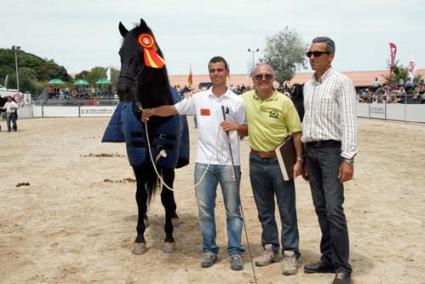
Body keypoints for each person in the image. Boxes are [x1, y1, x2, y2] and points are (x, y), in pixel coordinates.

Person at [142, 56, 247, 271]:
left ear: (227, 72)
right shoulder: (199, 99)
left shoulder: (237, 101)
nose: (216, 73)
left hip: (230, 164)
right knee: (205, 211)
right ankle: (209, 250)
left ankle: (235, 251)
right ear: (209, 73)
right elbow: (172, 109)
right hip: (204, 164)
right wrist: (151, 112)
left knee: (233, 211)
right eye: (212, 70)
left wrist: (236, 127)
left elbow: (246, 130)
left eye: (219, 70)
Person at [302, 37, 358, 284]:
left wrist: (348, 159)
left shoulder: (342, 82)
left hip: (332, 152)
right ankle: (328, 258)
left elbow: (349, 122)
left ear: (331, 56)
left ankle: (343, 267)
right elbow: (307, 123)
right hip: (311, 153)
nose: (312, 57)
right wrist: (303, 157)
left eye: (317, 53)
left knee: (334, 209)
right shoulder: (308, 86)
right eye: (310, 54)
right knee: (321, 208)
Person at [241, 63, 303, 275]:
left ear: (273, 78)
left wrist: (299, 160)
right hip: (256, 161)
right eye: (259, 75)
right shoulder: (245, 99)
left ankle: (291, 252)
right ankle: (270, 248)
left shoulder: (284, 102)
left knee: (287, 209)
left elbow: (296, 132)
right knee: (264, 210)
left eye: (267, 75)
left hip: (280, 162)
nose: (263, 78)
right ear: (253, 79)